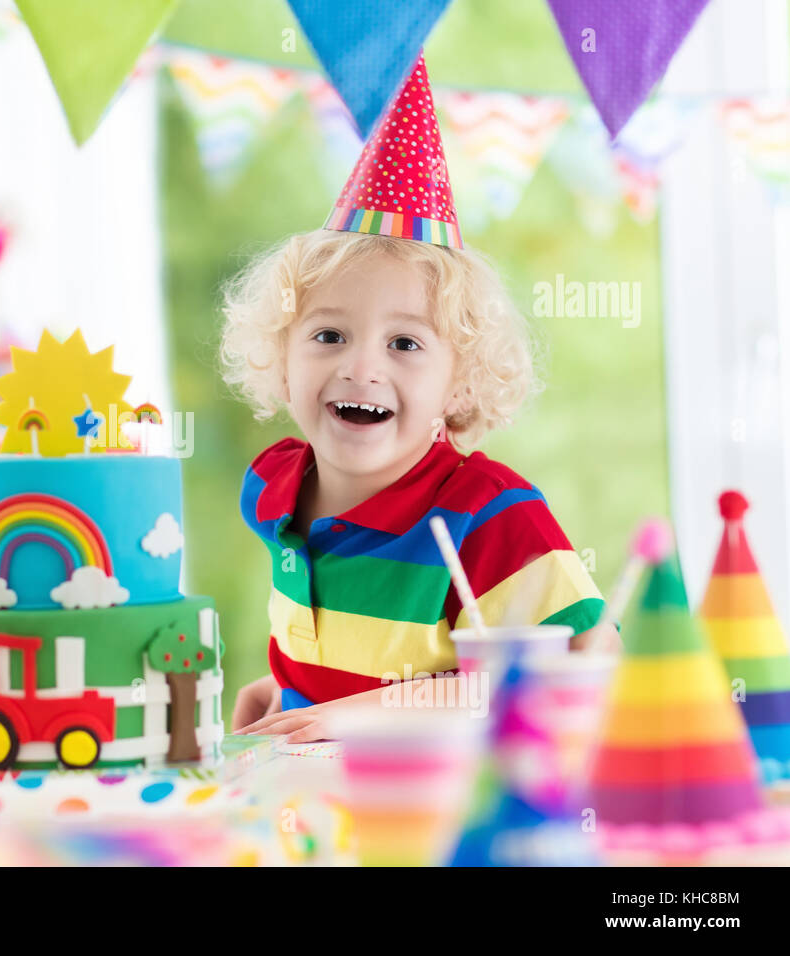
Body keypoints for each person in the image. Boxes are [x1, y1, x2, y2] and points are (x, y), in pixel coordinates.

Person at [223, 54, 606, 743]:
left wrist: (354, 717)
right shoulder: (272, 488)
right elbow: (359, 659)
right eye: (329, 334)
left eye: (405, 344)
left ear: (460, 380)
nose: (361, 367)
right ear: (280, 358)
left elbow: (587, 663)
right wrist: (285, 689)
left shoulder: (488, 512)